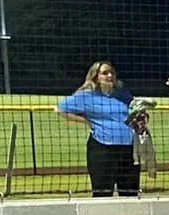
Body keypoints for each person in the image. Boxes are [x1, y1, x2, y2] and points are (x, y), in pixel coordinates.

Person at [59, 61, 139, 197]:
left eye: (112, 73)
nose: (110, 76)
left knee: (130, 194)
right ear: (96, 76)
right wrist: (87, 121)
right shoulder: (87, 96)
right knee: (102, 193)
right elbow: (61, 109)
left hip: (128, 149)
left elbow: (133, 111)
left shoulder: (122, 93)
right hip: (102, 149)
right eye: (105, 73)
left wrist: (140, 118)